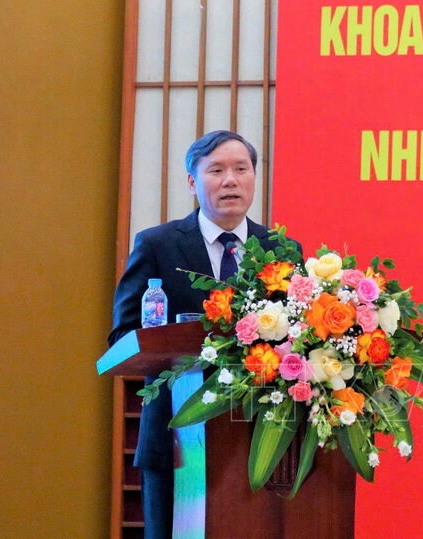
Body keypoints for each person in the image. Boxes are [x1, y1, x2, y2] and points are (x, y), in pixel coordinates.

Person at [107, 130, 295, 539]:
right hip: (175, 438)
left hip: (261, 439)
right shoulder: (157, 245)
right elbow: (123, 335)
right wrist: (184, 342)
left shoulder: (281, 250)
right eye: (216, 170)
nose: (230, 180)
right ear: (192, 182)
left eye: (241, 169)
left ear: (254, 178)